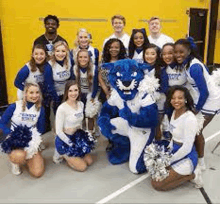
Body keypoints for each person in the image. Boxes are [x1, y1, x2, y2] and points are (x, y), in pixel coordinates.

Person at [174, 38, 220, 171]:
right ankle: (191, 155)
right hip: (202, 99)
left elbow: (204, 92)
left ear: (188, 51)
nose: (178, 55)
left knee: (196, 130)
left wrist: (195, 110)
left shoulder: (194, 67)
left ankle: (201, 161)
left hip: (210, 102)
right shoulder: (188, 63)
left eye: (181, 52)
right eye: (176, 52)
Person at [151, 86, 203, 191]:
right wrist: (167, 154)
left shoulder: (189, 119)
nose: (176, 101)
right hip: (174, 150)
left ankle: (193, 175)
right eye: (173, 98)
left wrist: (169, 161)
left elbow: (187, 148)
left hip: (186, 155)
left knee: (157, 185)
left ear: (185, 99)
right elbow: (173, 136)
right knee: (153, 174)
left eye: (180, 98)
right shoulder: (174, 112)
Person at [0, 83, 45, 177]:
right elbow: (2, 122)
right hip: (14, 137)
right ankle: (15, 162)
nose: (35, 95)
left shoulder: (40, 109)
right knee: (19, 156)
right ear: (25, 94)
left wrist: (36, 141)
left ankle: (29, 156)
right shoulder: (14, 106)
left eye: (37, 92)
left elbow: (41, 128)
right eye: (31, 92)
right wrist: (10, 134)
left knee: (37, 173)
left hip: (30, 139)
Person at [53, 80, 96, 171]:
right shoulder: (62, 108)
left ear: (79, 91)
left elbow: (80, 123)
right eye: (70, 91)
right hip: (65, 141)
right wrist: (70, 144)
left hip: (77, 138)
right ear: (66, 92)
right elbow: (58, 131)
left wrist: (84, 136)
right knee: (83, 167)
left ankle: (73, 157)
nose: (73, 93)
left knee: (89, 161)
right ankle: (61, 154)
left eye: (75, 90)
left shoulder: (81, 104)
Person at [143, 44, 167, 140]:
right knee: (145, 126)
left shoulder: (162, 69)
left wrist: (152, 88)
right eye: (147, 53)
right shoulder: (141, 68)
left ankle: (157, 148)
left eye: (152, 54)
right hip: (144, 102)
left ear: (157, 55)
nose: (149, 56)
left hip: (158, 101)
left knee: (156, 126)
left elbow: (164, 88)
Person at [44, 41, 74, 115]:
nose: (60, 54)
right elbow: (49, 85)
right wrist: (57, 100)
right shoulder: (49, 65)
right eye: (57, 51)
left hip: (68, 94)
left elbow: (72, 79)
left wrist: (70, 96)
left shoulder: (70, 61)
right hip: (56, 95)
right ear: (53, 52)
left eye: (63, 51)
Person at [73, 49, 99, 135]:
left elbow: (95, 84)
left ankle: (91, 132)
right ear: (77, 58)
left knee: (90, 113)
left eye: (85, 57)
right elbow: (73, 83)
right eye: (80, 57)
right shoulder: (75, 68)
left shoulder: (94, 68)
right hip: (79, 93)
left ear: (89, 58)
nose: (82, 59)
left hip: (91, 93)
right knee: (80, 112)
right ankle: (82, 131)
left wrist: (93, 97)